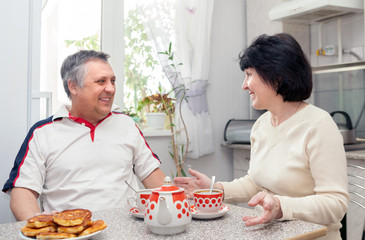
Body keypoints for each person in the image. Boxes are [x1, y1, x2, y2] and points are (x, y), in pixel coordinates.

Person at [174, 33, 349, 240]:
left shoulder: (318, 125)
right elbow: (256, 184)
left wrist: (281, 206)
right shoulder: (261, 125)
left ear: (276, 77)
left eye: (249, 75)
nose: (244, 85)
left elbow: (335, 204)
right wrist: (214, 189)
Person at [3, 50, 166, 221]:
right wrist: (39, 226)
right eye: (101, 81)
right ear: (73, 86)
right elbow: (22, 191)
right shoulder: (42, 132)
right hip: (69, 233)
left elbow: (154, 178)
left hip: (127, 231)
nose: (110, 88)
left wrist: (184, 196)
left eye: (113, 81)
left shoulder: (126, 124)